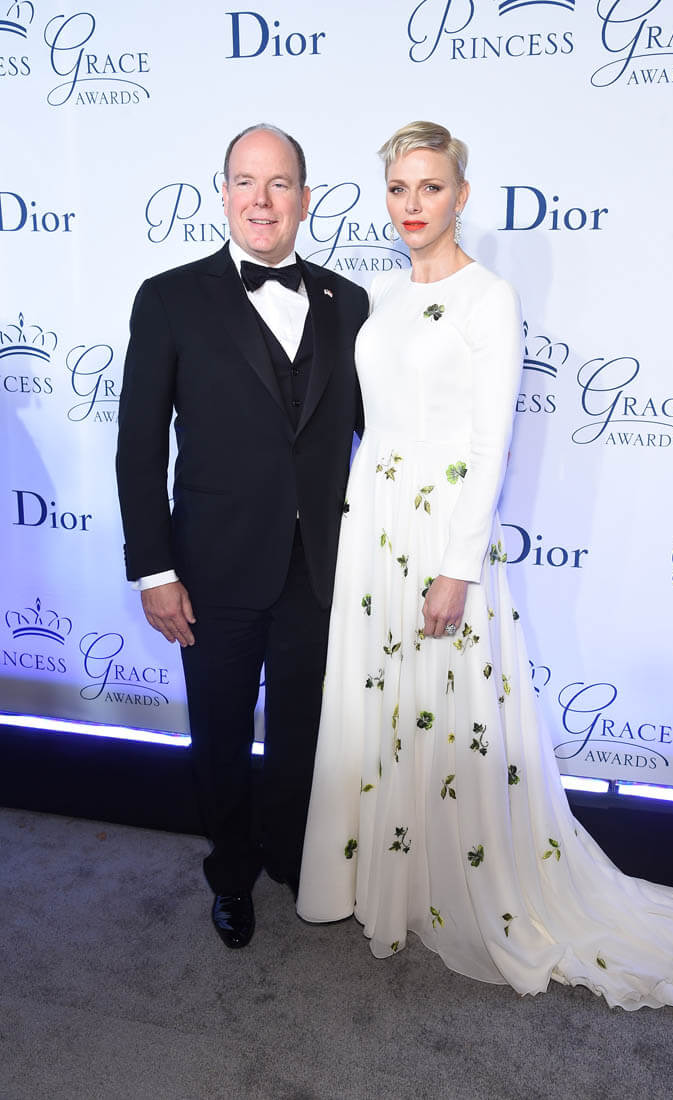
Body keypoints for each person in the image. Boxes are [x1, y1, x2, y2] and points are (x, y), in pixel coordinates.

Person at [296, 121, 673, 1017]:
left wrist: (457, 566)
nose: (413, 205)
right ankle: (394, 884)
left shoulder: (490, 298)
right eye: (398, 189)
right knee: (383, 700)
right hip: (374, 521)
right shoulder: (380, 294)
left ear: (461, 196)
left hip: (442, 527)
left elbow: (490, 441)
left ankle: (463, 890)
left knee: (446, 704)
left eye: (430, 187)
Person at [116, 124, 368, 949]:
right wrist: (154, 570)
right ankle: (230, 873)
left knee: (303, 730)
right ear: (223, 194)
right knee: (221, 733)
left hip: (319, 568)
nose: (262, 200)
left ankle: (292, 856)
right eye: (246, 182)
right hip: (212, 567)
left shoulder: (349, 302)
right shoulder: (169, 297)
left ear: (305, 197)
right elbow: (139, 445)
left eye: (280, 183)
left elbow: (378, 440)